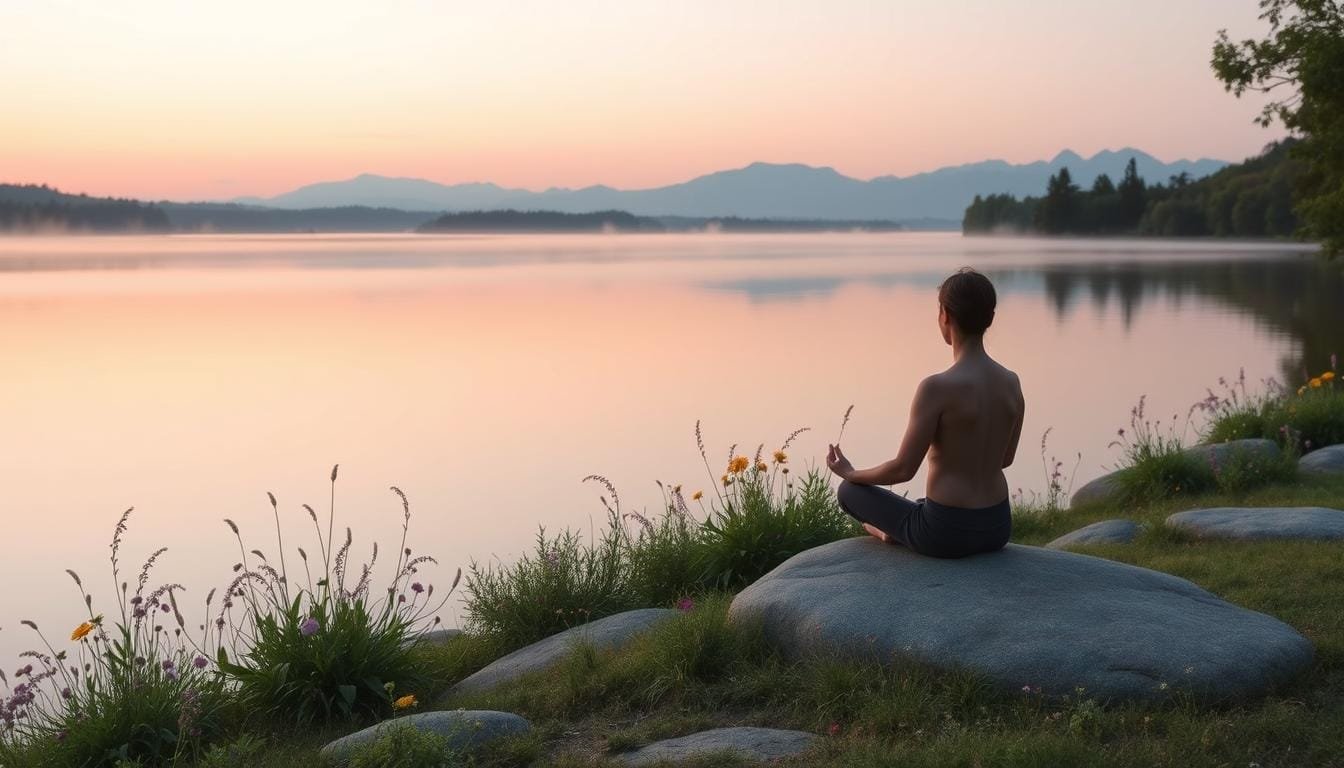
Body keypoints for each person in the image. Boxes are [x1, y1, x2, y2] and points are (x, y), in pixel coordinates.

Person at [825, 267, 1023, 558]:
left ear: (945, 315)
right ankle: (903, 525)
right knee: (917, 505)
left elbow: (903, 469)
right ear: (990, 317)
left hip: (945, 534)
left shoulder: (937, 387)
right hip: (997, 527)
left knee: (849, 492)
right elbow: (1005, 459)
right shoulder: (1011, 382)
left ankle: (889, 532)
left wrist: (851, 473)